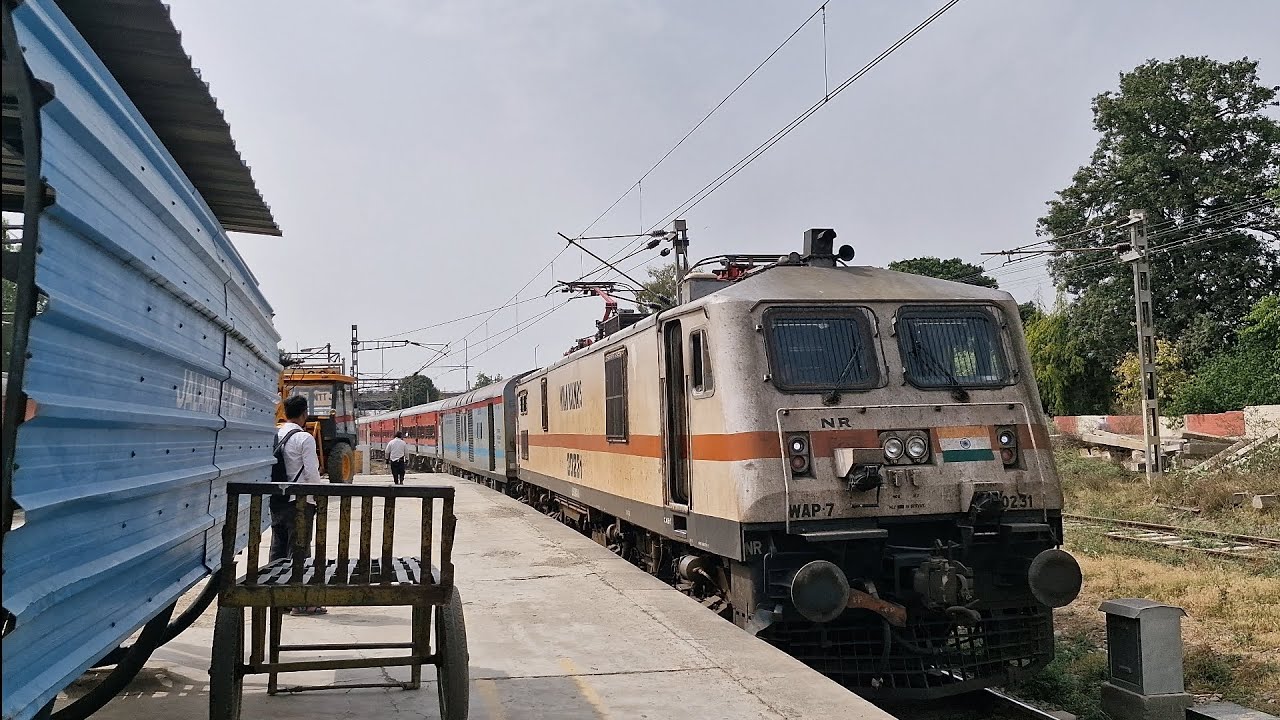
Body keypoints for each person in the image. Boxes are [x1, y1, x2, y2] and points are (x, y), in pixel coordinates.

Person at [272, 395, 326, 615]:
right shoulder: (304, 438)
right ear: (304, 413)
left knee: (278, 549)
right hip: (300, 503)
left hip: (277, 501)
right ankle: (300, 602)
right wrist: (319, 497)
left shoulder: (276, 434)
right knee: (299, 549)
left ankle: (277, 598)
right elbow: (312, 472)